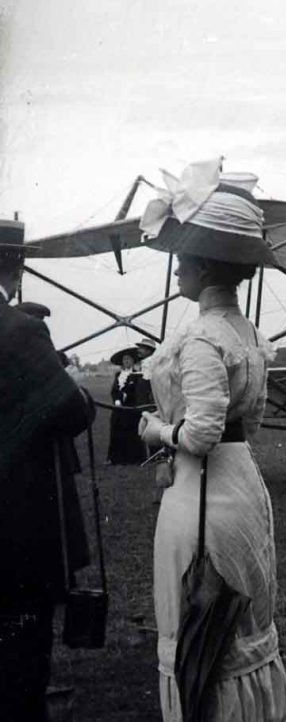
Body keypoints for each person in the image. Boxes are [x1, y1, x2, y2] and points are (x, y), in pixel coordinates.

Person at [137, 160, 286, 721]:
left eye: (184, 258)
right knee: (241, 622)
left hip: (203, 493)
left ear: (203, 264)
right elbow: (248, 423)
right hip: (243, 485)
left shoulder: (202, 336)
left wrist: (156, 429)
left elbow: (200, 433)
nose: (179, 269)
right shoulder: (247, 335)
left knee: (201, 615)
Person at [0, 218, 96, 721]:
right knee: (19, 667)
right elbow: (73, 412)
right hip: (14, 538)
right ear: (14, 267)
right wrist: (76, 386)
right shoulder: (20, 330)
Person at [107, 345, 149, 464]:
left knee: (132, 433)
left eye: (129, 359)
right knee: (116, 431)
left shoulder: (137, 374)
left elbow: (137, 391)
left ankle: (134, 459)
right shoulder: (118, 375)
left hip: (131, 409)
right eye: (124, 360)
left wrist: (126, 396)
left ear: (133, 361)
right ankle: (115, 458)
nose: (126, 361)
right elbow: (114, 390)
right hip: (118, 408)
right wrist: (116, 399)